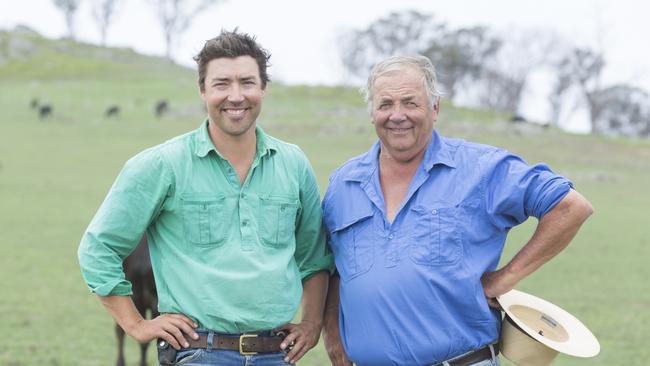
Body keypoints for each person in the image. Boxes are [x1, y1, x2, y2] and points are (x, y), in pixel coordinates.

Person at [78, 30, 332, 366]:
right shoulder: (161, 165)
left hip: (276, 354)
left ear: (263, 88)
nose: (236, 96)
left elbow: (314, 257)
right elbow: (98, 248)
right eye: (222, 83)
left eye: (247, 82)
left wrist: (312, 324)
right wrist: (136, 324)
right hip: (198, 353)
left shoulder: (293, 163)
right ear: (202, 91)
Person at [320, 55, 594, 366]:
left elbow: (570, 207)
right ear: (372, 112)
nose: (397, 115)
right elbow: (333, 270)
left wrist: (506, 278)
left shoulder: (480, 168)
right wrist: (332, 336)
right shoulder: (343, 184)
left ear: (435, 108)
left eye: (410, 102)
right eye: (385, 104)